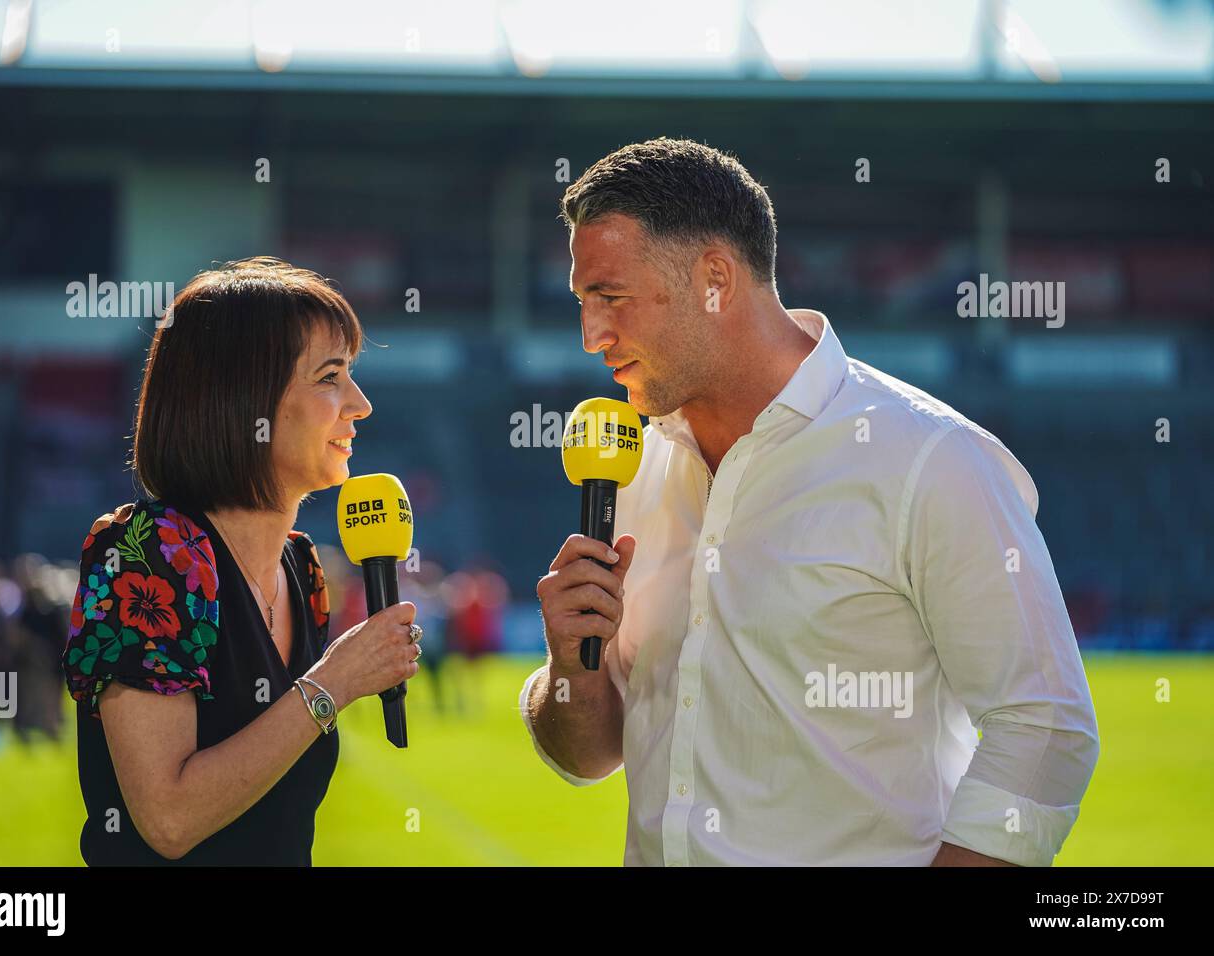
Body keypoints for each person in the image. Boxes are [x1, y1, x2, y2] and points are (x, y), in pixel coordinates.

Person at [521, 138, 1099, 866]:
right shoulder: (632, 471)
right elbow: (589, 756)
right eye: (582, 302)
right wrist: (571, 669)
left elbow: (1045, 727)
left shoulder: (929, 456)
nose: (590, 335)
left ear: (715, 280)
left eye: (610, 297)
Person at [60, 257, 423, 865]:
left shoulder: (302, 569)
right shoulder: (150, 554)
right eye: (330, 376)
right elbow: (169, 820)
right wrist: (332, 683)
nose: (359, 405)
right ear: (245, 398)